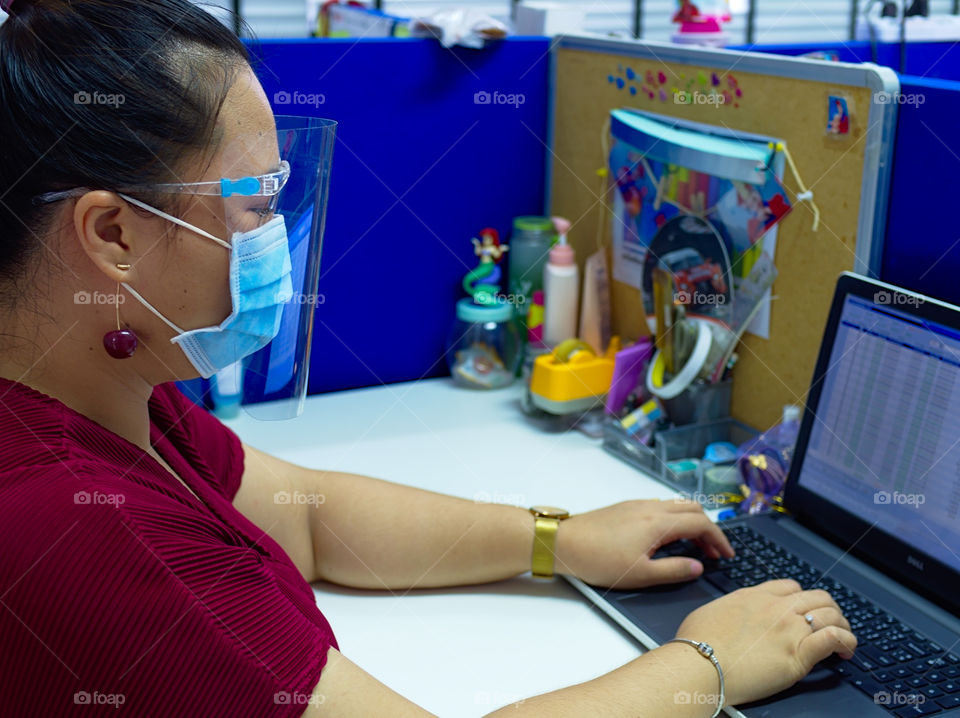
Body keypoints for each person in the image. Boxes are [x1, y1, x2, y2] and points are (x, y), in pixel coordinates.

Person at [0, 1, 857, 715]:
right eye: (258, 202)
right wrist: (705, 665)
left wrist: (559, 539)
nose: (277, 237)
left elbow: (306, 515)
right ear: (112, 234)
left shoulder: (101, 389)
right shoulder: (81, 528)